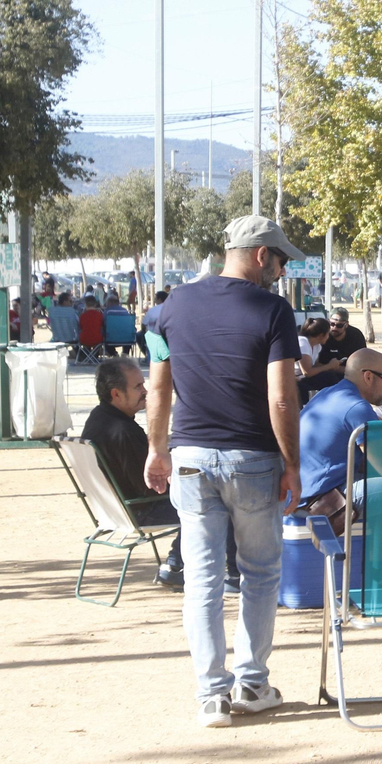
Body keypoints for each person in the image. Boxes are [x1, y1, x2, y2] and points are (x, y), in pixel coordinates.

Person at [145, 214, 303, 729]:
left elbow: (158, 386)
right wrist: (294, 464)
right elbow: (281, 398)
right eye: (279, 261)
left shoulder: (171, 307)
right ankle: (251, 682)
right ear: (261, 255)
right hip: (252, 459)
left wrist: (156, 449)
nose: (280, 272)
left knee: (203, 580)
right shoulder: (274, 310)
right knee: (260, 575)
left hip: (189, 458)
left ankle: (211, 695)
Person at [83, 358, 191, 590]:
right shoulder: (123, 431)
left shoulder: (98, 418)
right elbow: (151, 485)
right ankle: (176, 565)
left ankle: (177, 563)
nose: (145, 391)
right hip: (139, 509)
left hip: (111, 510)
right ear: (116, 394)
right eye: (138, 387)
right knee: (206, 502)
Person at [296, 347, 382, 525]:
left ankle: (377, 551)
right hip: (321, 500)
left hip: (300, 494)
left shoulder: (328, 393)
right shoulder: (357, 407)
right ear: (368, 377)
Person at [304, 307, 368, 393]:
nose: (334, 328)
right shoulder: (322, 336)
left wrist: (338, 368)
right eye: (332, 324)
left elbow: (363, 362)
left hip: (350, 374)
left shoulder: (356, 336)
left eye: (339, 325)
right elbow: (314, 364)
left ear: (346, 325)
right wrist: (331, 367)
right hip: (326, 374)